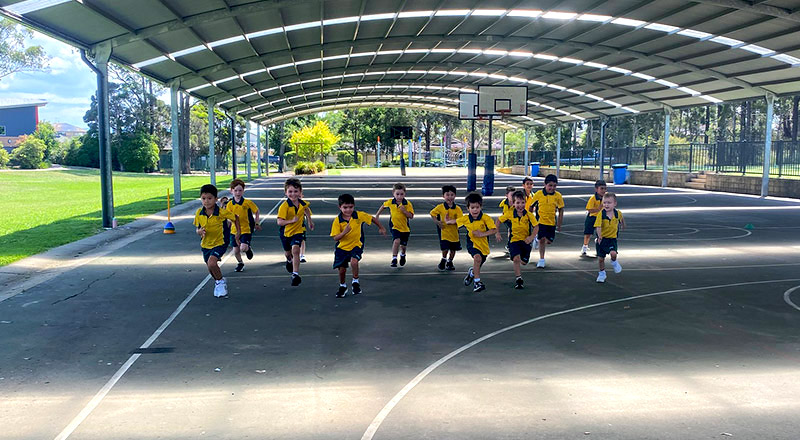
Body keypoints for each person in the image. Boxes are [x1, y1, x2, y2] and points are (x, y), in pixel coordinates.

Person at [331, 193, 386, 298]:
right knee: (342, 270)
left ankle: (355, 281)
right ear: (340, 207)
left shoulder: (359, 216)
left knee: (354, 262)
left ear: (354, 206)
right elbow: (335, 238)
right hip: (342, 247)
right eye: (345, 207)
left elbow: (372, 218)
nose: (348, 210)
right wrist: (344, 232)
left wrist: (381, 227)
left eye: (351, 207)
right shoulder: (337, 221)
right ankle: (342, 286)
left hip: (356, 245)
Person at [193, 184, 240, 298]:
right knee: (210, 267)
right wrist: (199, 231)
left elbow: (236, 218)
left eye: (209, 198)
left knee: (212, 263)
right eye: (204, 198)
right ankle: (218, 281)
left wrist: (238, 233)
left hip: (220, 242)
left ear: (216, 199)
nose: (206, 201)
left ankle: (220, 282)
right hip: (205, 244)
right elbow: (197, 228)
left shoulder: (221, 212)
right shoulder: (199, 213)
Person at [445, 192, 497, 293]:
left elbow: (494, 230)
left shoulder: (486, 218)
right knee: (477, 258)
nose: (475, 210)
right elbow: (456, 221)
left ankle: (472, 273)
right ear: (468, 208)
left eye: (477, 207)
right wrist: (448, 221)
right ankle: (477, 283)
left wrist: (482, 234)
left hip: (483, 245)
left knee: (478, 263)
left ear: (481, 207)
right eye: (472, 208)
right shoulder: (466, 219)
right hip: (472, 243)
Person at [495, 190, 539, 289]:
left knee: (524, 262)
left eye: (522, 202)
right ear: (513, 204)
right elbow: (498, 220)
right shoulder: (510, 214)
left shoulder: (528, 215)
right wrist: (497, 232)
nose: (520, 205)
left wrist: (531, 237)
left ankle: (523, 260)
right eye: (518, 203)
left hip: (525, 241)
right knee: (516, 259)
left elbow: (536, 226)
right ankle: (519, 279)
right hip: (514, 241)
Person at [276, 178, 314, 286]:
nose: (293, 194)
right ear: (286, 192)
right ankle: (289, 261)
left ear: (300, 192)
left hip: (298, 231)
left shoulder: (303, 203)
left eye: (296, 191)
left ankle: (295, 274)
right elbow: (279, 222)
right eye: (290, 191)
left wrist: (310, 221)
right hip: (286, 233)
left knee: (296, 250)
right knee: (288, 254)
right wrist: (291, 221)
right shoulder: (284, 206)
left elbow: (306, 210)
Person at [528, 174, 565, 268]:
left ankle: (536, 239)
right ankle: (541, 259)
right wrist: (530, 219)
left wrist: (559, 223)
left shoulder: (558, 196)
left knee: (548, 241)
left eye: (554, 186)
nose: (552, 188)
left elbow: (561, 210)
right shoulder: (538, 194)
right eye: (550, 185)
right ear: (545, 184)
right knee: (542, 240)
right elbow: (531, 207)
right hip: (540, 222)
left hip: (551, 222)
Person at [225, 179, 261, 272]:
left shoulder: (247, 203)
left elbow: (256, 211)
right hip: (234, 231)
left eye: (240, 190)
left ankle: (247, 249)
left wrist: (257, 222)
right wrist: (230, 221)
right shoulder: (229, 204)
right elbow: (228, 217)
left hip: (245, 229)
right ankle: (240, 263)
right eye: (235, 190)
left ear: (243, 191)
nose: (238, 193)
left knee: (243, 248)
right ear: (231, 191)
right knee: (236, 251)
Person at [375, 183, 414, 267]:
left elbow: (411, 216)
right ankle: (394, 258)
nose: (399, 196)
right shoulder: (390, 202)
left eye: (401, 194)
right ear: (393, 193)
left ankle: (403, 254)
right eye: (397, 194)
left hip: (405, 228)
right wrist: (377, 215)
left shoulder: (407, 204)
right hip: (394, 226)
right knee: (396, 241)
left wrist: (405, 211)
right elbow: (383, 206)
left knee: (403, 246)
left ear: (405, 194)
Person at [429, 184, 463, 271]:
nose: (450, 197)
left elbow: (460, 220)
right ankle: (443, 259)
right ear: (443, 196)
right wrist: (437, 222)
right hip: (444, 232)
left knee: (453, 249)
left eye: (452, 195)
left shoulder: (457, 209)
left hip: (454, 234)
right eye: (447, 195)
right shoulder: (440, 207)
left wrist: (452, 221)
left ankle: (450, 261)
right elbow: (432, 213)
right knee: (445, 248)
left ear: (455, 196)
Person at [595, 192, 625, 283]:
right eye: (604, 203)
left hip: (612, 239)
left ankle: (614, 262)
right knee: (601, 259)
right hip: (602, 239)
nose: (606, 205)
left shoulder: (618, 213)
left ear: (615, 203)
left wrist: (623, 225)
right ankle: (602, 273)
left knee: (613, 254)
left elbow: (621, 219)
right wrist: (599, 237)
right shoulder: (601, 214)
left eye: (609, 203)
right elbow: (598, 226)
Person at [582, 180, 607, 256]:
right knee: (588, 233)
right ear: (596, 189)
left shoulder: (606, 198)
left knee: (601, 234)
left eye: (605, 189)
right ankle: (585, 246)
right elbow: (589, 209)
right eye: (601, 188)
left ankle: (599, 247)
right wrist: (598, 209)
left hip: (601, 218)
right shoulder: (593, 198)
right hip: (592, 217)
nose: (603, 190)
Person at [498, 185, 515, 256]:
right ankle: (510, 245)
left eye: (514, 195)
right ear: (507, 195)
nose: (513, 197)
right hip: (506, 219)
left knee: (512, 231)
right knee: (510, 230)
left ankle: (510, 244)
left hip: (514, 220)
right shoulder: (504, 203)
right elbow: (502, 210)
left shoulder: (516, 203)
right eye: (511, 195)